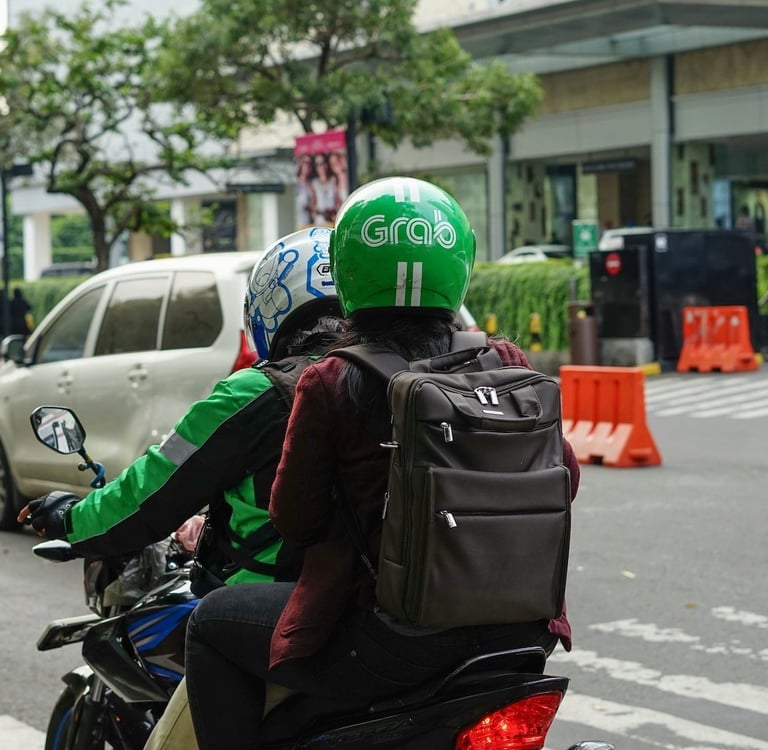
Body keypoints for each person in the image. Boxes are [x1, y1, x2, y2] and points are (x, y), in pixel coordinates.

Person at [184, 177, 581, 749]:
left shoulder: (332, 378)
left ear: (345, 270)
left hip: (392, 641)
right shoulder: (505, 361)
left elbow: (295, 518)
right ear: (459, 265)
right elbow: (564, 479)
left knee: (211, 624)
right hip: (522, 633)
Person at [18, 226, 344, 750]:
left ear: (271, 307)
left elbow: (148, 493)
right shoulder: (411, 382)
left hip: (288, 625)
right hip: (415, 630)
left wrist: (70, 519)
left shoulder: (260, 392)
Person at [311, 153, 339, 224]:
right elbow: (313, 203)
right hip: (320, 219)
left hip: (333, 218)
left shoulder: (334, 180)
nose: (321, 166)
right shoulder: (314, 183)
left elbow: (337, 200)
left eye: (323, 163)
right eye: (318, 164)